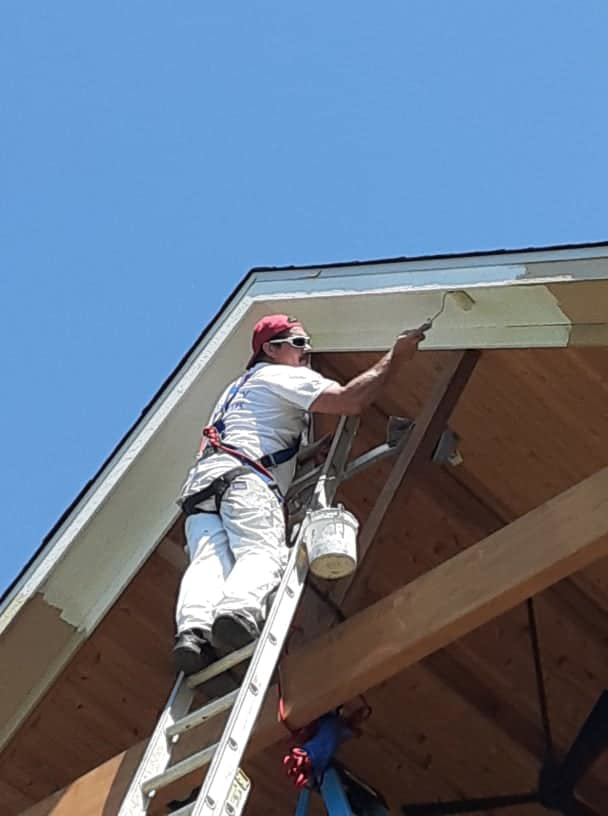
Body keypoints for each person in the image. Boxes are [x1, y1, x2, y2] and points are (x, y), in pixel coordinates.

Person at [173, 313, 427, 676]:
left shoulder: (237, 390)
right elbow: (349, 400)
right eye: (297, 343)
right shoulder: (280, 374)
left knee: (209, 563)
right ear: (270, 349)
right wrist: (397, 356)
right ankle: (238, 612)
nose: (307, 351)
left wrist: (304, 455)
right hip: (246, 480)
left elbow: (252, 437)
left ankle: (193, 633)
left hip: (202, 488)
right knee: (263, 552)